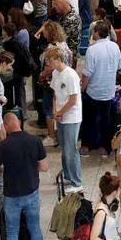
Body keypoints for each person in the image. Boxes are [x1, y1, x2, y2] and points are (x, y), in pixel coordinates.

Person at [0, 113, 52, 240]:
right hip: (31, 193)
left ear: (7, 126)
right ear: (19, 124)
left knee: (12, 233)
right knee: (35, 229)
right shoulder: (35, 141)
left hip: (11, 197)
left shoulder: (3, 146)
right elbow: (44, 167)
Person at [84, 21, 121, 156]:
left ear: (97, 32)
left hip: (93, 90)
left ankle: (91, 144)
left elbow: (87, 73)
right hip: (109, 90)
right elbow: (119, 67)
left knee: (91, 119)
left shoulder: (92, 50)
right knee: (108, 120)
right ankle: (107, 146)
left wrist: (83, 88)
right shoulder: (115, 47)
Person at [47, 46, 83, 190]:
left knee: (71, 150)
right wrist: (56, 111)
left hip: (71, 118)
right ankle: (68, 175)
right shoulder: (56, 73)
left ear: (58, 59)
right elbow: (55, 94)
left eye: (50, 60)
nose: (48, 63)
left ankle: (77, 182)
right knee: (64, 149)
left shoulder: (71, 75)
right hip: (61, 116)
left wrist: (60, 113)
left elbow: (73, 99)